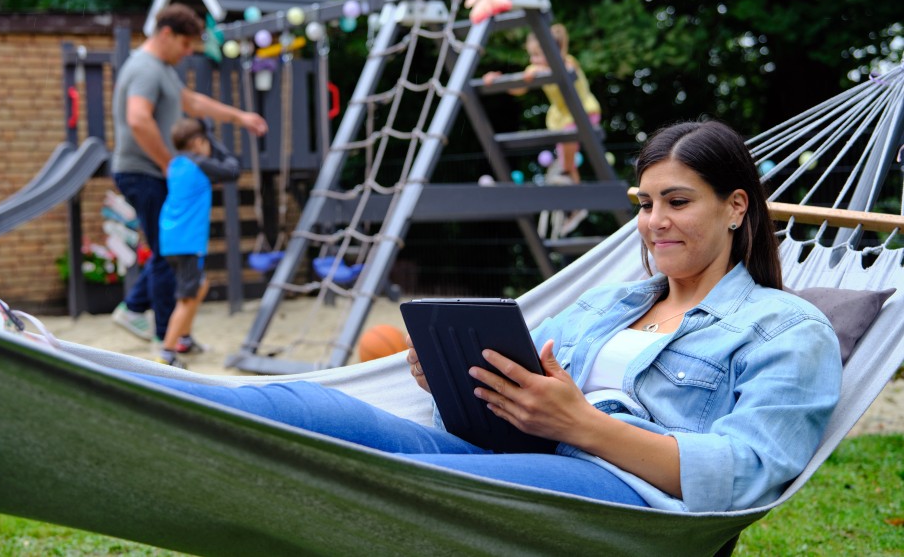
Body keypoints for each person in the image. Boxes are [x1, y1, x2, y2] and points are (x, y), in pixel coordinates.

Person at [120, 119, 842, 512]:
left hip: (627, 500)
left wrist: (580, 423)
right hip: (520, 456)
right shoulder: (613, 300)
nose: (653, 222)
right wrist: (458, 380)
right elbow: (530, 390)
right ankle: (99, 387)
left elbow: (746, 471)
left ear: (736, 205)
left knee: (384, 482)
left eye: (677, 201)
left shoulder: (788, 328)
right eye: (645, 203)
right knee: (304, 407)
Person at [110, 3, 268, 346]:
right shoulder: (146, 69)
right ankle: (163, 331)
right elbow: (138, 119)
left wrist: (239, 117)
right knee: (171, 254)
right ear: (167, 34)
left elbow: (193, 103)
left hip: (149, 172)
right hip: (143, 172)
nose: (187, 53)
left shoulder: (162, 68)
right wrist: (168, 163)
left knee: (168, 252)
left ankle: (152, 319)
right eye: (185, 45)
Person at [484, 24, 602, 236]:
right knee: (568, 158)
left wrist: (543, 70)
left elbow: (566, 71)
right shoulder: (535, 69)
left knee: (567, 154)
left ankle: (569, 184)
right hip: (562, 118)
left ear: (556, 51)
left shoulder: (567, 62)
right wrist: (496, 81)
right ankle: (576, 206)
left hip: (584, 112)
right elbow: (519, 87)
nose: (533, 60)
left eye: (538, 55)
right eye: (531, 55)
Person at [156, 118, 241, 368]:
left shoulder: (175, 164)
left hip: (171, 238)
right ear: (197, 142)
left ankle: (184, 340)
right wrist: (214, 139)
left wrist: (207, 137)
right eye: (205, 142)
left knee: (200, 286)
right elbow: (233, 169)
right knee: (187, 297)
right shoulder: (200, 163)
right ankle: (167, 353)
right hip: (188, 241)